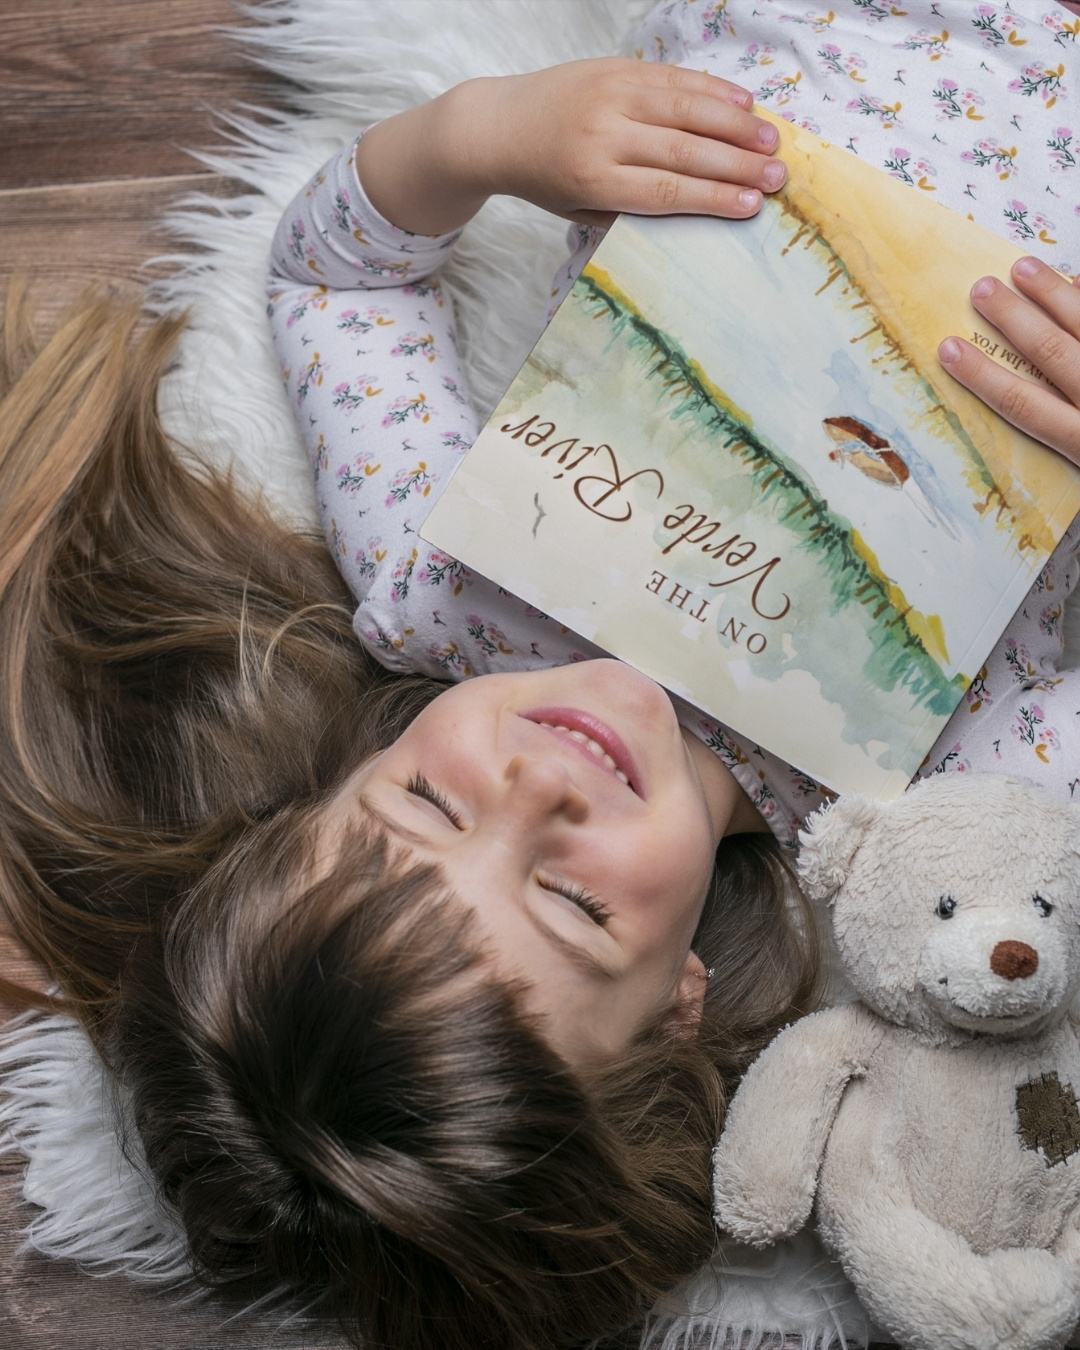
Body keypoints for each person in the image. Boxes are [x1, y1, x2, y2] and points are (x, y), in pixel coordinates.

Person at [0, 6, 1076, 1349]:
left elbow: (338, 285)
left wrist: (484, 137)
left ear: (338, 779)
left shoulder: (436, 579)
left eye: (426, 810)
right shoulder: (934, 826)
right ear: (679, 1003)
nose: (539, 786)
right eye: (569, 902)